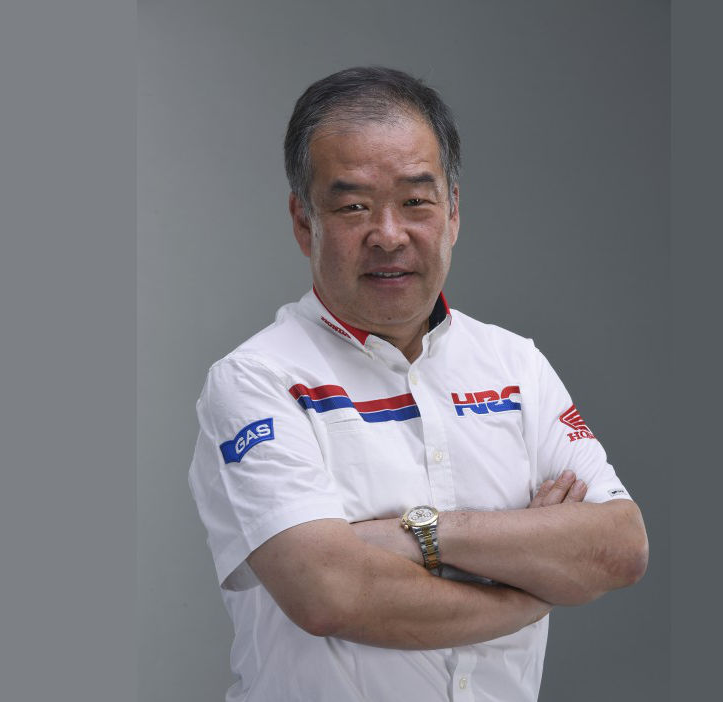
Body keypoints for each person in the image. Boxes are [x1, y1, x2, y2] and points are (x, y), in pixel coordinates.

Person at [188, 66, 648, 702]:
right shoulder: (257, 381)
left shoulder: (515, 365)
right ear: (303, 221)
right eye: (353, 206)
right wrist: (528, 590)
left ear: (453, 212)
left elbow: (620, 546)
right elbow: (329, 592)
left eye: (415, 202)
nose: (388, 234)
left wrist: (416, 534)